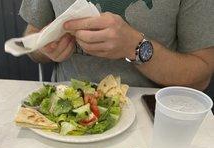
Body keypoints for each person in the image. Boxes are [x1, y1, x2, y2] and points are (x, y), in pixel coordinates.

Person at [19, 0, 214, 89]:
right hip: (65, 112)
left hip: (154, 120)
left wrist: (137, 48)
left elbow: (201, 76)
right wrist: (44, 46)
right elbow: (31, 39)